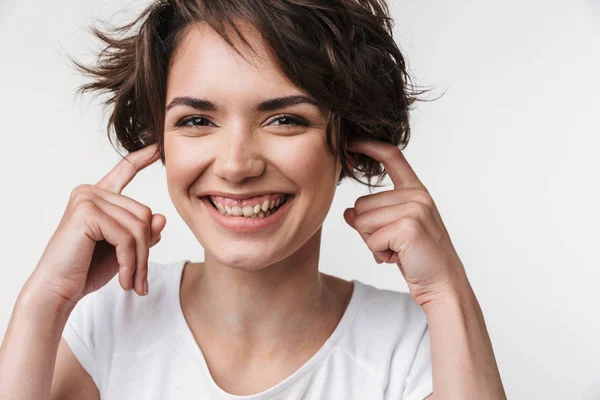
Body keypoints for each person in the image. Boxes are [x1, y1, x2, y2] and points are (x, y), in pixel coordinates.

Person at [0, 0, 507, 399]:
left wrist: (446, 289)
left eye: (285, 119)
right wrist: (45, 298)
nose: (237, 164)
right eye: (197, 120)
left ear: (350, 142)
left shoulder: (411, 344)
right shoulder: (105, 322)